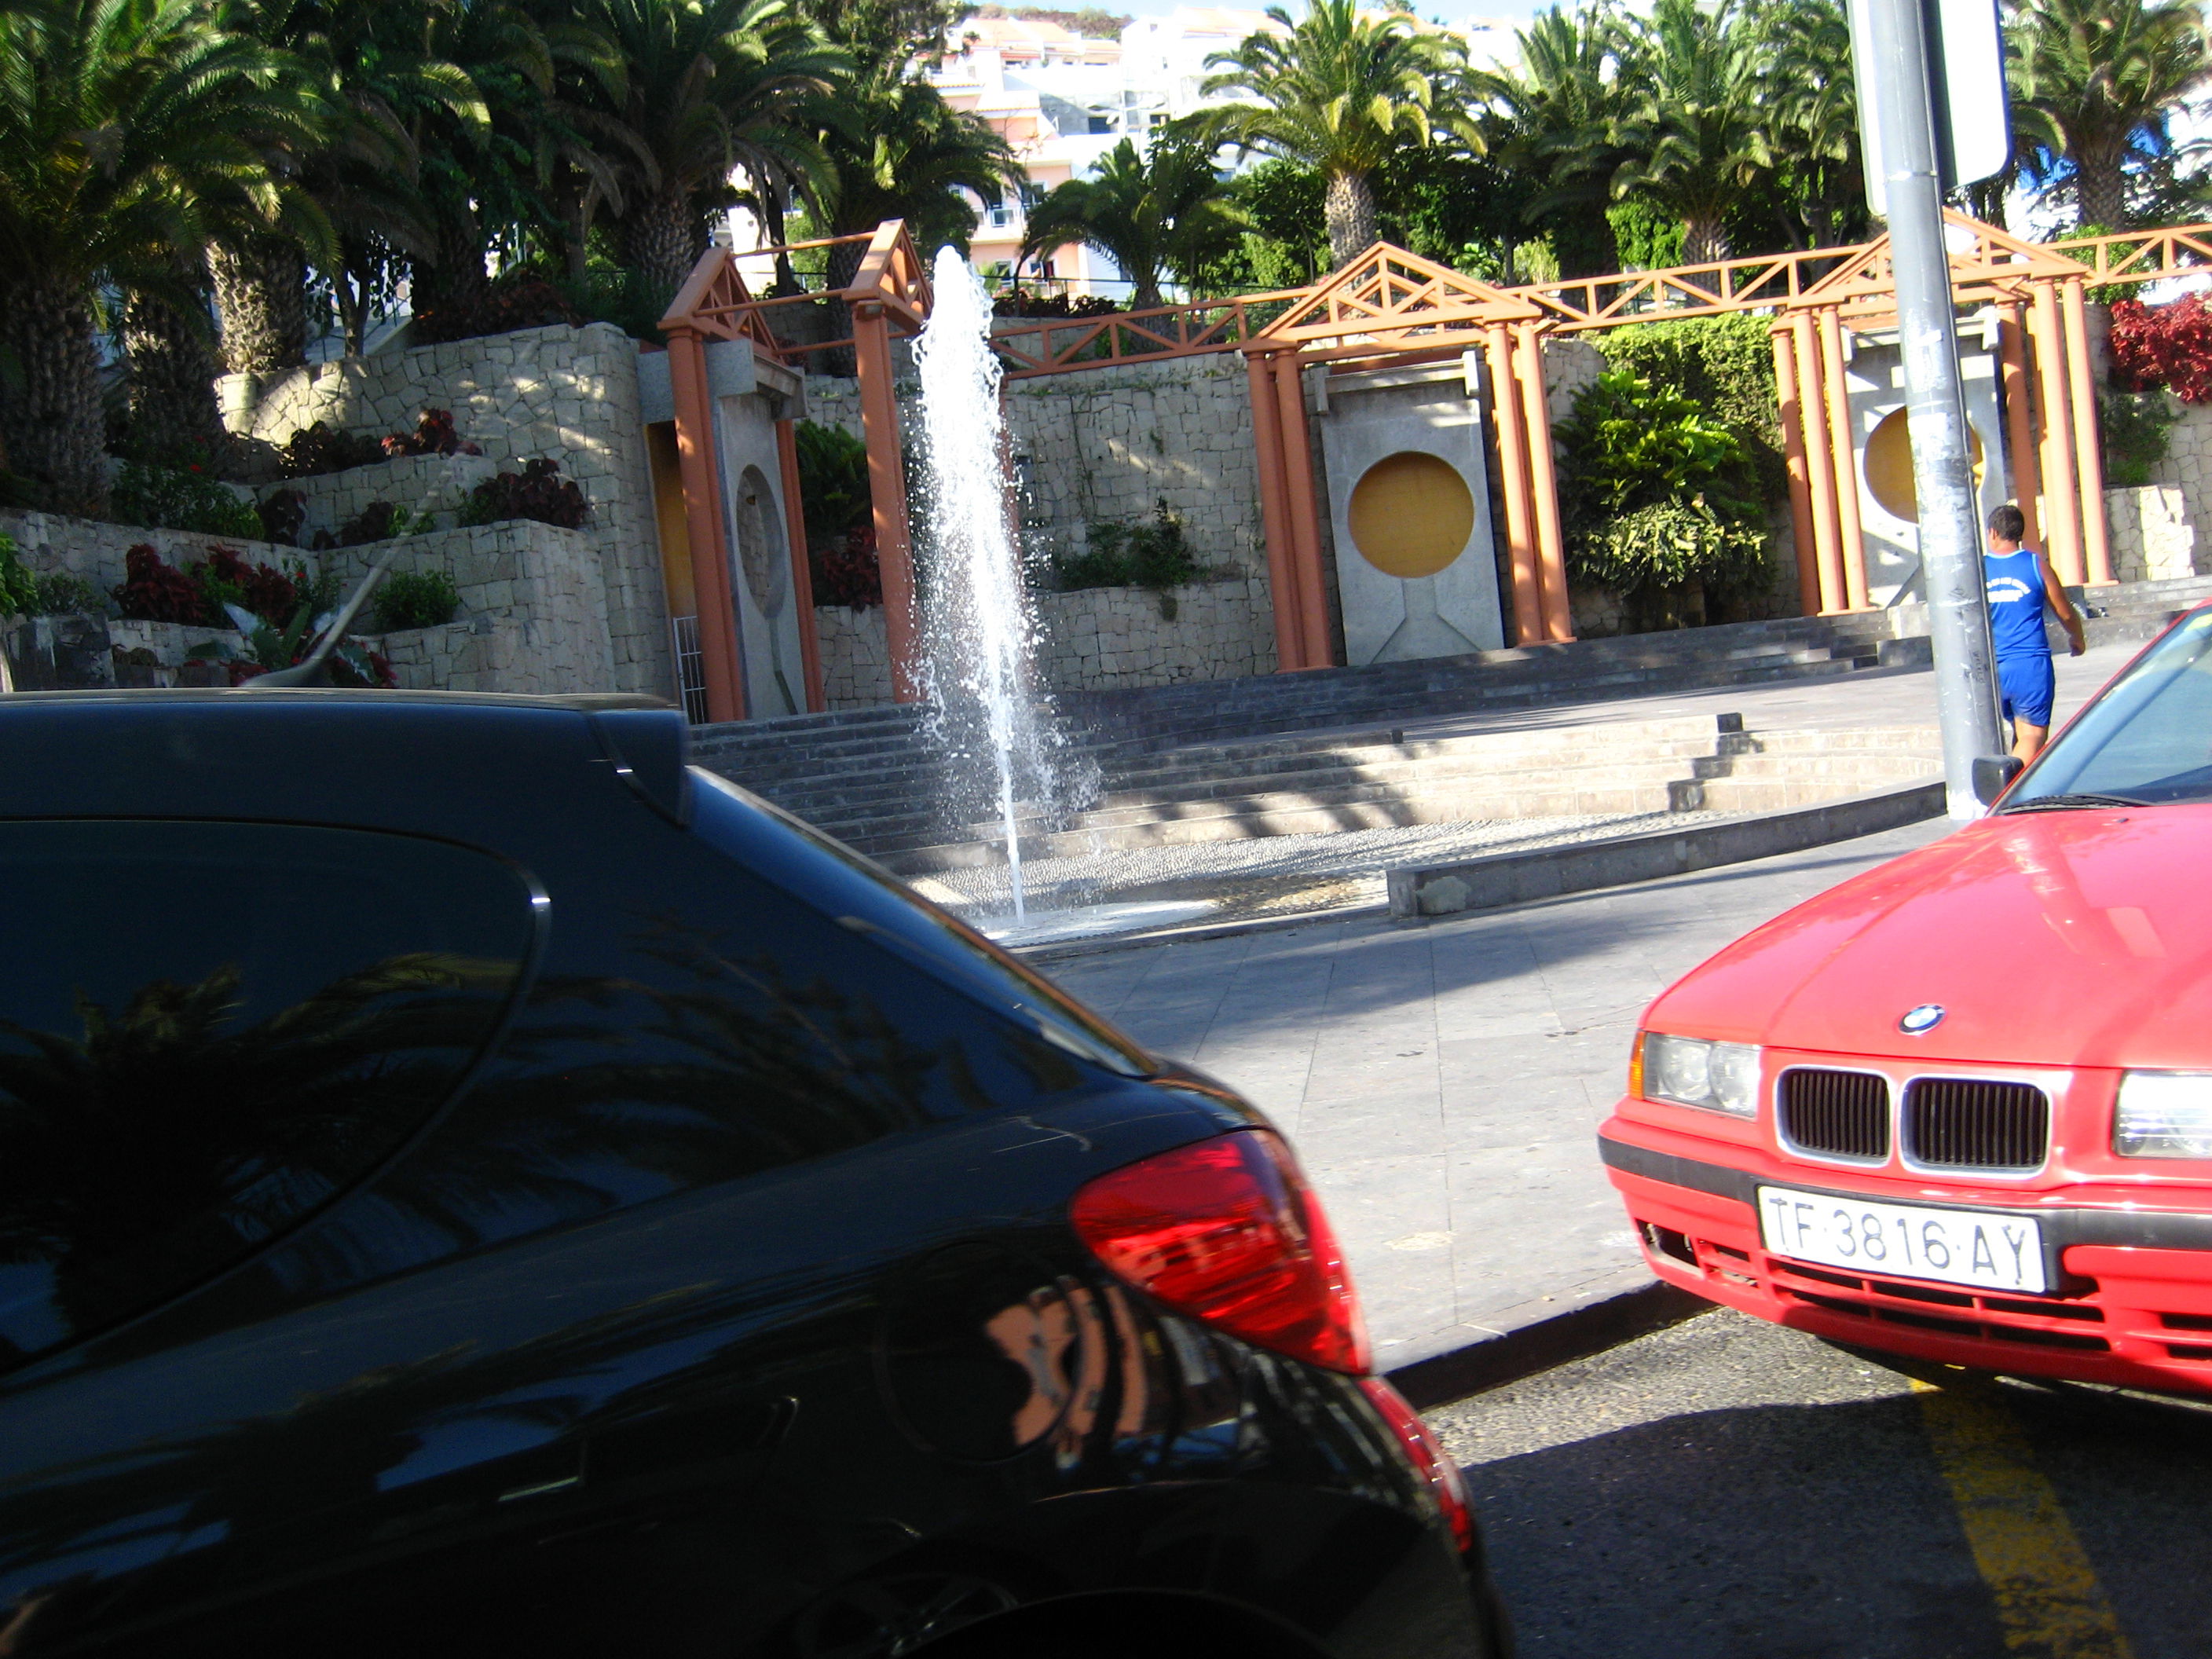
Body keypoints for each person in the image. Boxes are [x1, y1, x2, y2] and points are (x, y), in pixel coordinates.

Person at [1984, 503, 2086, 760]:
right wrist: (2077, 637)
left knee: (2016, 735)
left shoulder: (1978, 570)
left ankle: (2006, 786)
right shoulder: (2036, 565)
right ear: (2020, 533)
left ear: (1993, 533)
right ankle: (2008, 793)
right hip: (2029, 664)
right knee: (2031, 735)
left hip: (1989, 666)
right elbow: (2064, 611)